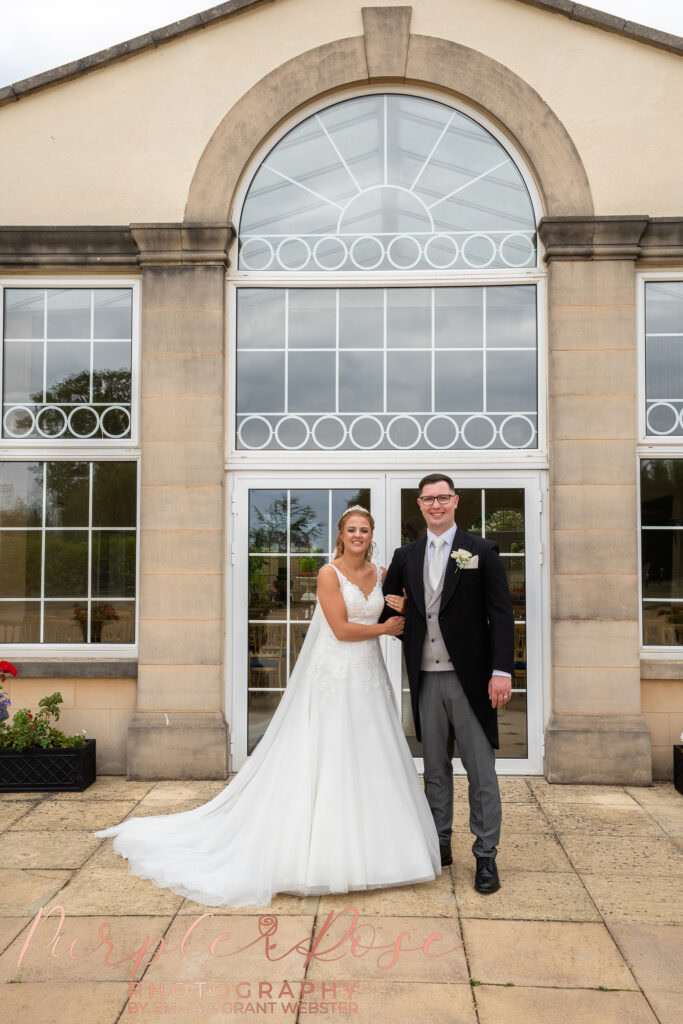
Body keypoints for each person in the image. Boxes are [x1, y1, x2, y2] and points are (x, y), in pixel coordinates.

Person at [94, 506, 441, 907]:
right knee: (328, 751)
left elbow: (396, 607)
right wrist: (384, 627)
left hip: (368, 674)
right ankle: (322, 853)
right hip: (334, 672)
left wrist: (398, 608)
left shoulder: (381, 574)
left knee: (370, 751)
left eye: (364, 529)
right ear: (341, 536)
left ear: (372, 535)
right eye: (352, 530)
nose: (358, 535)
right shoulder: (330, 574)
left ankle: (381, 850)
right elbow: (343, 630)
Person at [382, 473, 514, 894]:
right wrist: (400, 615)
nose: (436, 505)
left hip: (471, 680)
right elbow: (390, 613)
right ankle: (439, 841)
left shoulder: (480, 551)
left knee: (481, 772)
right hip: (426, 679)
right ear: (419, 505)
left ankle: (486, 855)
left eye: (443, 498)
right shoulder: (406, 555)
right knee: (435, 769)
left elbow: (501, 615)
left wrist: (502, 670)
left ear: (455, 502)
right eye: (428, 499)